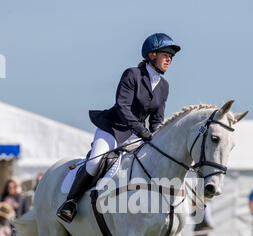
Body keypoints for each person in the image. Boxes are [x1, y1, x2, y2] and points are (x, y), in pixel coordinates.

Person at [57, 33, 181, 223]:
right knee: (94, 163)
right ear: (152, 55)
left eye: (171, 56)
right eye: (166, 54)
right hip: (112, 129)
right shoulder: (132, 74)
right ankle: (71, 202)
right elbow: (122, 106)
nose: (169, 59)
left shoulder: (164, 85)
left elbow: (157, 118)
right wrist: (142, 131)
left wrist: (157, 135)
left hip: (137, 134)